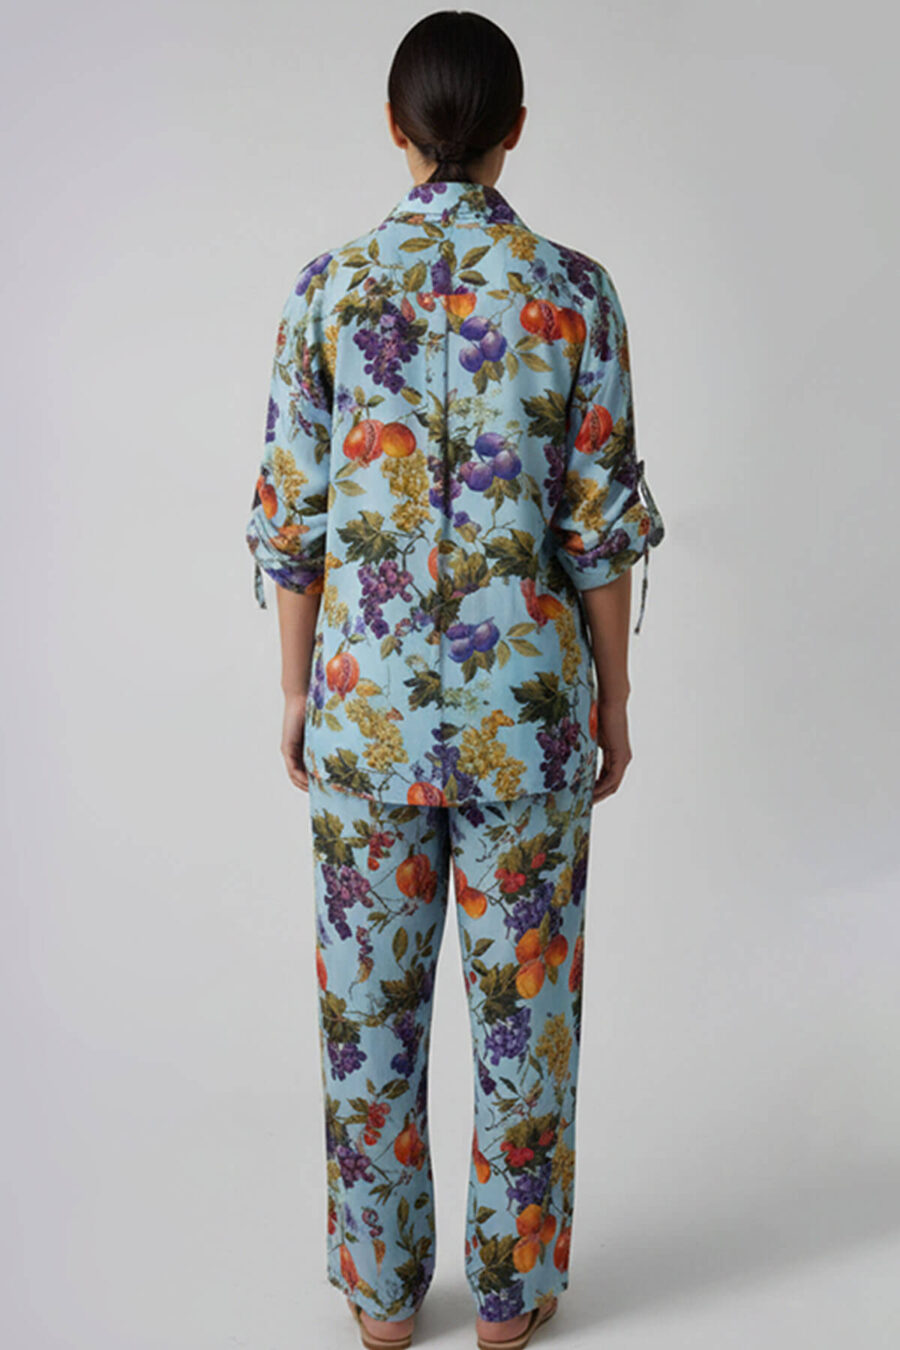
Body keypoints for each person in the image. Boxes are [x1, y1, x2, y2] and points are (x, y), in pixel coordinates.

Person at [244, 12, 664, 1349]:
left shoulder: (327, 291)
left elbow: (292, 525)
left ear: (395, 128)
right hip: (526, 725)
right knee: (527, 1017)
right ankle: (513, 1300)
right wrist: (614, 700)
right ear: (515, 130)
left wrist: (298, 693)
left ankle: (380, 1301)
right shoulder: (574, 293)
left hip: (365, 722)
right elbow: (600, 531)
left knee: (366, 1022)